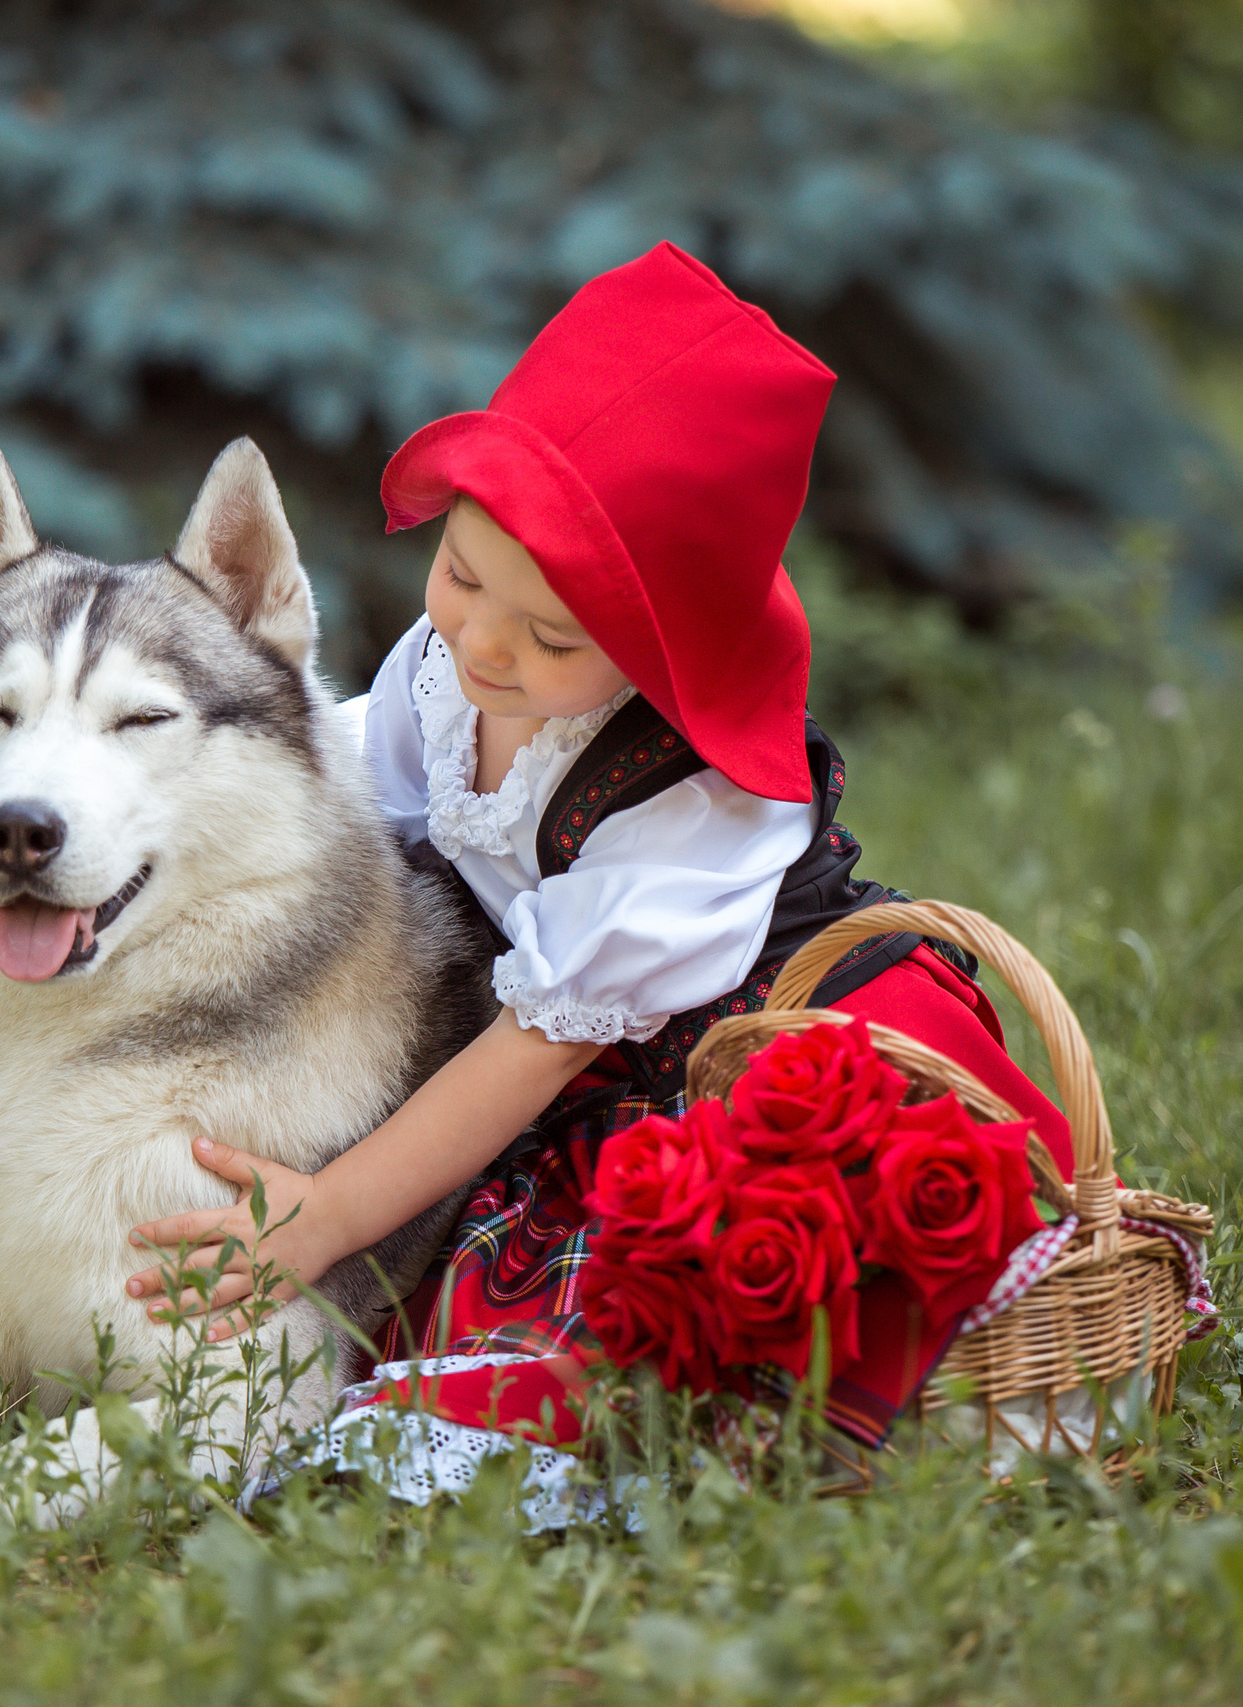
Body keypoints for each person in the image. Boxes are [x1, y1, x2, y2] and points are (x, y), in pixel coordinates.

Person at [124, 242, 1076, 1488]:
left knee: (735, 1261)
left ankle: (937, 1408)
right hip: (574, 1049)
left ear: (666, 654)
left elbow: (539, 1047)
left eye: (555, 637)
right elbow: (348, 796)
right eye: (460, 573)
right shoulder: (446, 667)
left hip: (763, 1034)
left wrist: (337, 1213)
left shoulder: (686, 803)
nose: (482, 645)